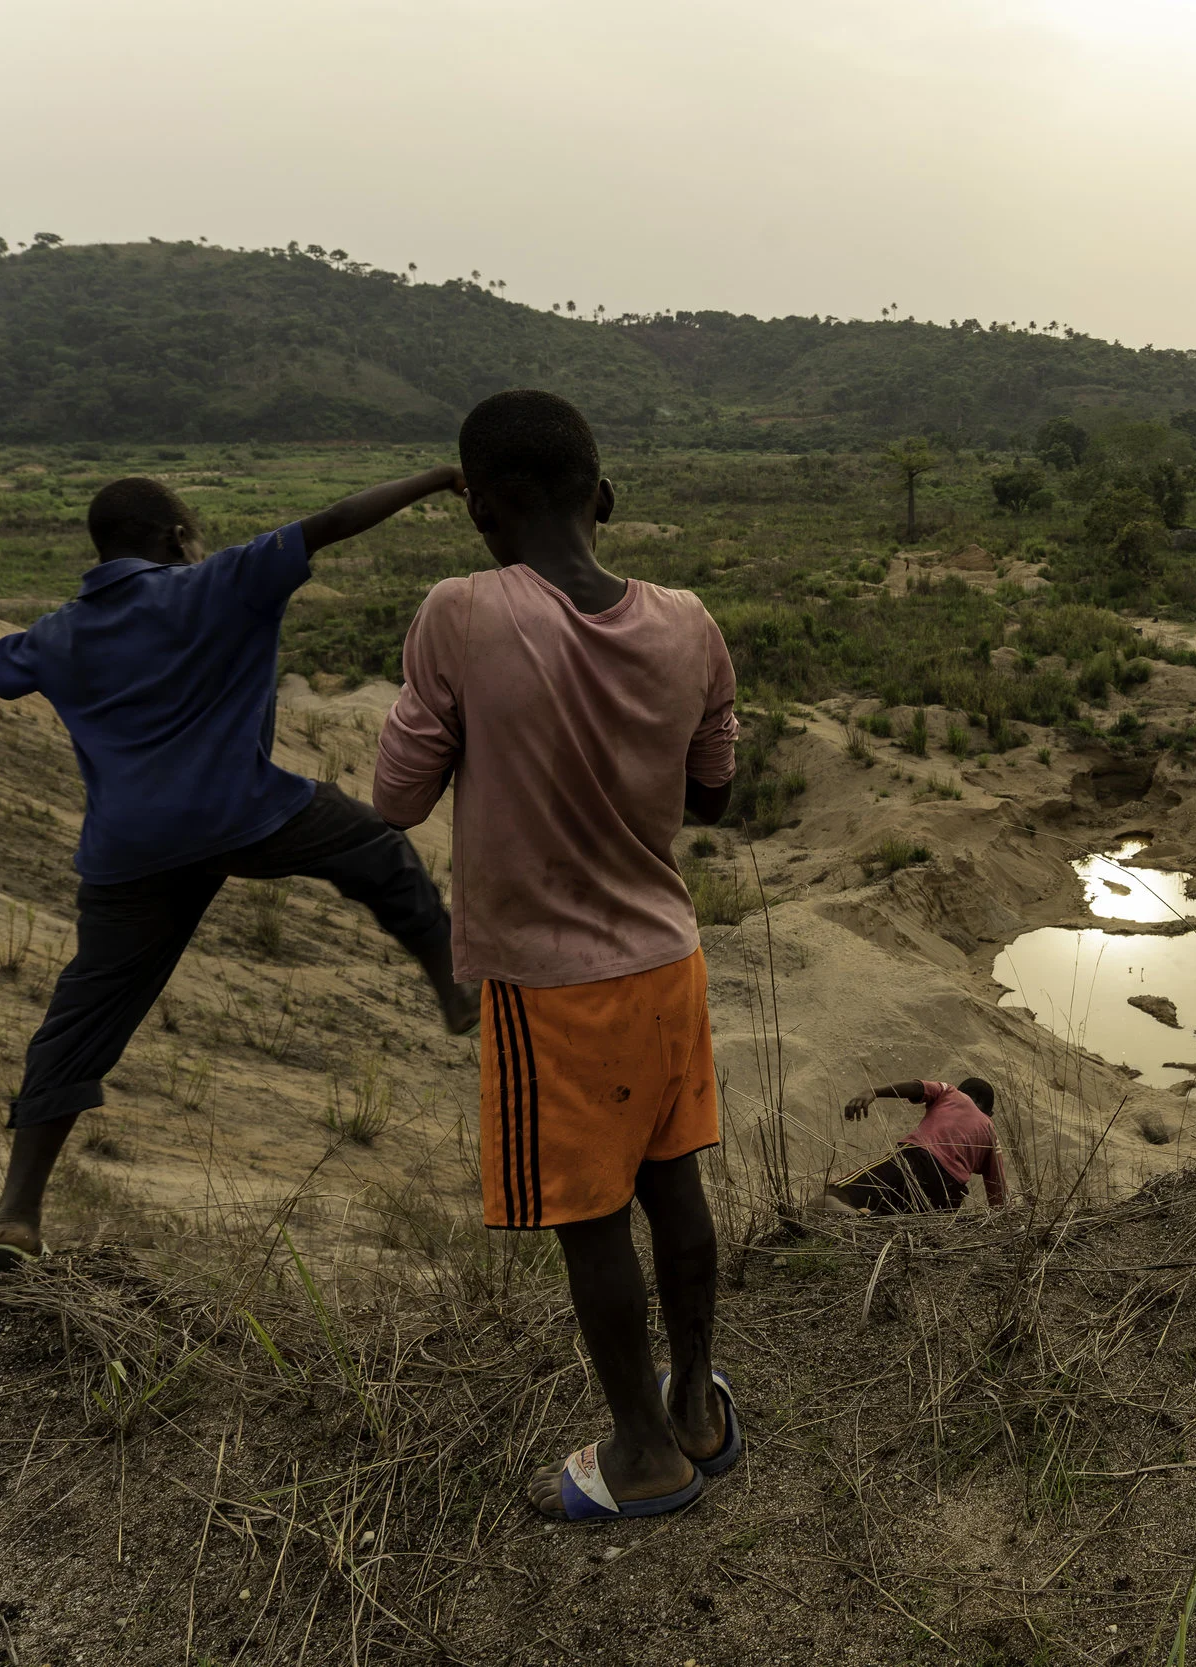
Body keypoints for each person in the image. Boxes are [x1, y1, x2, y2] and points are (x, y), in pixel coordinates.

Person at [0, 468, 475, 1277]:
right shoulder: (217, 584)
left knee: (80, 1020)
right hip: (249, 815)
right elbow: (331, 520)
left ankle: (14, 1214)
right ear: (173, 538)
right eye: (193, 530)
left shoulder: (60, 631)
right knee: (382, 853)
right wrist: (435, 477)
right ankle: (455, 989)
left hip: (131, 852)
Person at [373, 388, 742, 1523]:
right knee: (673, 1183)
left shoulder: (459, 610)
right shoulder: (689, 620)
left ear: (482, 509)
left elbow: (397, 798)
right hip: (666, 956)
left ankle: (639, 1457)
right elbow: (714, 792)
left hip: (551, 981)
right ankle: (694, 1407)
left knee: (590, 1220)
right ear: (605, 499)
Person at [832, 1077, 1009, 1213]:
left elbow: (917, 1088)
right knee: (903, 1230)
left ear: (964, 1092)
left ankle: (854, 1219)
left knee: (832, 1198)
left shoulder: (951, 1092)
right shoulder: (991, 1134)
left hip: (915, 1161)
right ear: (990, 1113)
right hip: (949, 1194)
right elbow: (998, 1197)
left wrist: (873, 1092)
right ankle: (872, 1220)